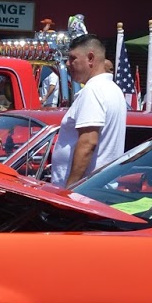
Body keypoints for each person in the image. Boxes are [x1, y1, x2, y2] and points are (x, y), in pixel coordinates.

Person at [50, 33, 128, 188]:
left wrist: (69, 190)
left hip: (83, 192)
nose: (68, 63)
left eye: (73, 58)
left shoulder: (93, 91)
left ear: (90, 58)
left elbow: (88, 143)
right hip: (98, 188)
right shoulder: (113, 89)